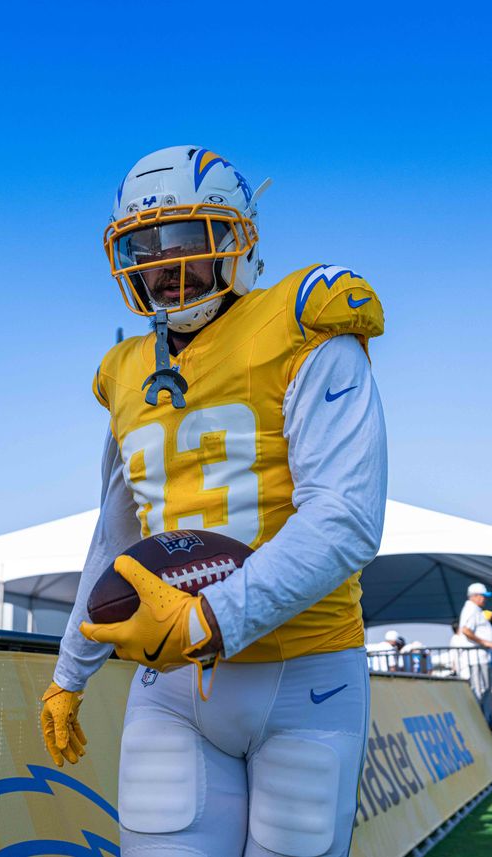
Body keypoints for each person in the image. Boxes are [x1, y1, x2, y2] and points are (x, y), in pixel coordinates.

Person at [39, 146, 387, 856]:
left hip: (307, 669)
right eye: (142, 246)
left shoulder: (303, 325)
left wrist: (209, 617)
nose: (161, 269)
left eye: (183, 242)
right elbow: (114, 542)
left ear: (235, 239)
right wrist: (67, 673)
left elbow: (344, 519)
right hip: (171, 685)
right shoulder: (126, 372)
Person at [453, 581, 492, 726]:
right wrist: (486, 643)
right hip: (476, 659)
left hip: (482, 657)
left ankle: (483, 721)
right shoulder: (471, 609)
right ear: (474, 596)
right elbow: (466, 631)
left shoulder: (476, 610)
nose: (484, 599)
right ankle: (477, 723)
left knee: (491, 688)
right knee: (479, 691)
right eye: (482, 596)